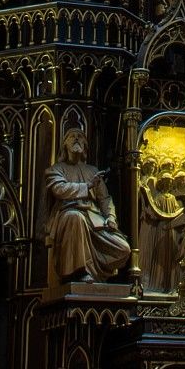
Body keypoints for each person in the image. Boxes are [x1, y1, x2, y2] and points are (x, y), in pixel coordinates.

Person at [42, 121, 132, 284]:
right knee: (76, 218)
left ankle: (94, 271)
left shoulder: (93, 171)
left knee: (123, 249)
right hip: (67, 216)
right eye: (72, 137)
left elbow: (105, 199)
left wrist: (111, 217)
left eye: (80, 137)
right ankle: (78, 272)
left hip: (94, 221)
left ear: (85, 146)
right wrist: (87, 186)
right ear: (65, 145)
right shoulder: (55, 169)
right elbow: (60, 189)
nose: (76, 139)